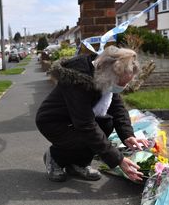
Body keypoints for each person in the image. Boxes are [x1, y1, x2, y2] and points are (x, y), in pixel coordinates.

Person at [35, 45, 149, 182]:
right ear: (110, 75)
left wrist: (127, 135)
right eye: (120, 83)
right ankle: (54, 157)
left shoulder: (105, 75)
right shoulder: (77, 80)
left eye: (125, 84)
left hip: (74, 119)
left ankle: (78, 164)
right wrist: (119, 159)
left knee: (107, 124)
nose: (121, 88)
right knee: (83, 138)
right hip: (53, 121)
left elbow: (117, 107)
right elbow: (85, 124)